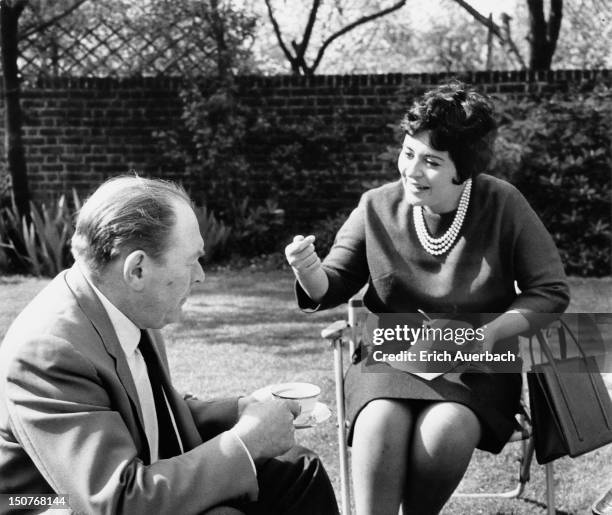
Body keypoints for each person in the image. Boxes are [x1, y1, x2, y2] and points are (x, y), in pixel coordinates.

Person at [285, 81, 569, 515]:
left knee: (447, 429)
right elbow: (333, 282)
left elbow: (549, 291)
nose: (411, 171)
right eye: (408, 152)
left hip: (478, 364)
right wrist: (308, 269)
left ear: (465, 168)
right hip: (389, 355)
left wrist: (492, 334)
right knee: (379, 421)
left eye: (431, 161)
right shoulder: (375, 205)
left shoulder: (503, 203)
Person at [0, 176, 338, 515]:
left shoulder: (127, 304)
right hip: (48, 504)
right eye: (191, 260)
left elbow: (152, 413)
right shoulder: (48, 352)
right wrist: (247, 443)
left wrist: (243, 409)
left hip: (125, 486)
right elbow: (113, 502)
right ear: (138, 270)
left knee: (297, 471)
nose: (201, 275)